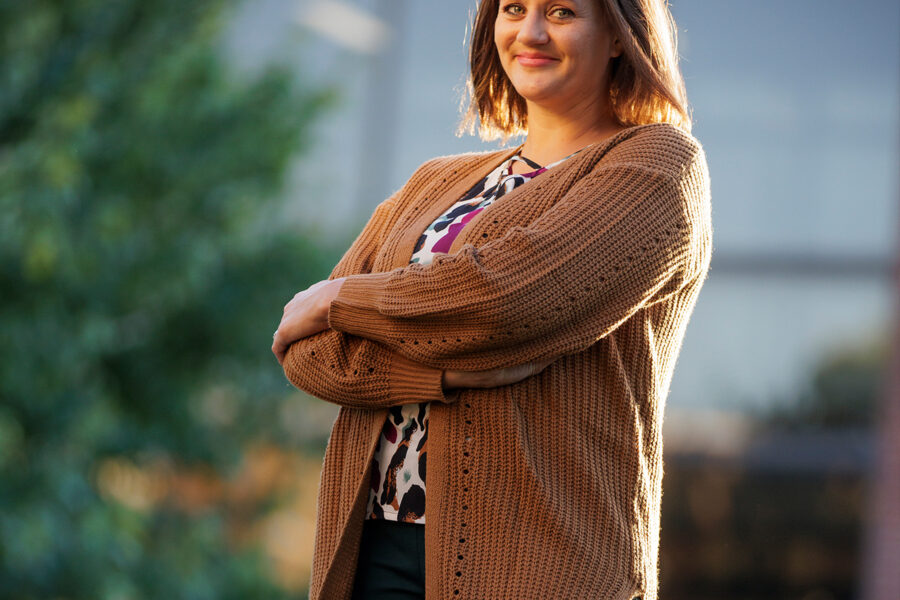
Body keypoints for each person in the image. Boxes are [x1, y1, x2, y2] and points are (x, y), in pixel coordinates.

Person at [272, 0, 712, 598]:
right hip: (374, 547)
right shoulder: (435, 182)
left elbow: (507, 299)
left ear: (618, 36)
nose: (530, 32)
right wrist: (444, 374)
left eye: (560, 12)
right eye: (512, 8)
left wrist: (339, 298)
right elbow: (311, 353)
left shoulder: (656, 166)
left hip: (545, 563)